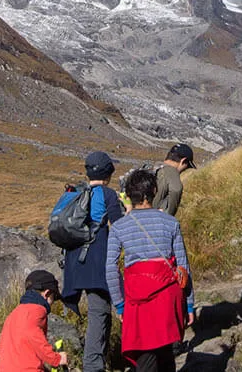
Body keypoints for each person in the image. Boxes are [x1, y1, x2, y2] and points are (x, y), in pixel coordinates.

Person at [104, 169, 191, 372]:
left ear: (128, 195)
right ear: (153, 190)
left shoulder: (119, 227)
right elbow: (183, 266)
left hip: (137, 300)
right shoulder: (170, 222)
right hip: (169, 296)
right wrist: (189, 304)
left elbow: (111, 268)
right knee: (167, 354)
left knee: (145, 356)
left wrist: (119, 304)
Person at [51, 150, 124, 372]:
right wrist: (128, 208)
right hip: (95, 261)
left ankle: (104, 359)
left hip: (73, 261)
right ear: (108, 173)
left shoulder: (74, 194)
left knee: (100, 311)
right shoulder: (107, 194)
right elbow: (120, 226)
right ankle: (93, 366)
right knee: (99, 312)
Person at [0, 270, 67, 372]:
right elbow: (35, 338)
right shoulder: (37, 310)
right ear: (47, 294)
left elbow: (1, 349)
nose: (53, 303)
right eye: (54, 297)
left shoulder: (13, 314)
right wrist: (57, 359)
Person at [156, 143, 196, 217]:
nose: (184, 170)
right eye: (187, 167)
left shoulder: (149, 169)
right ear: (183, 161)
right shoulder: (173, 175)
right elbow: (176, 190)